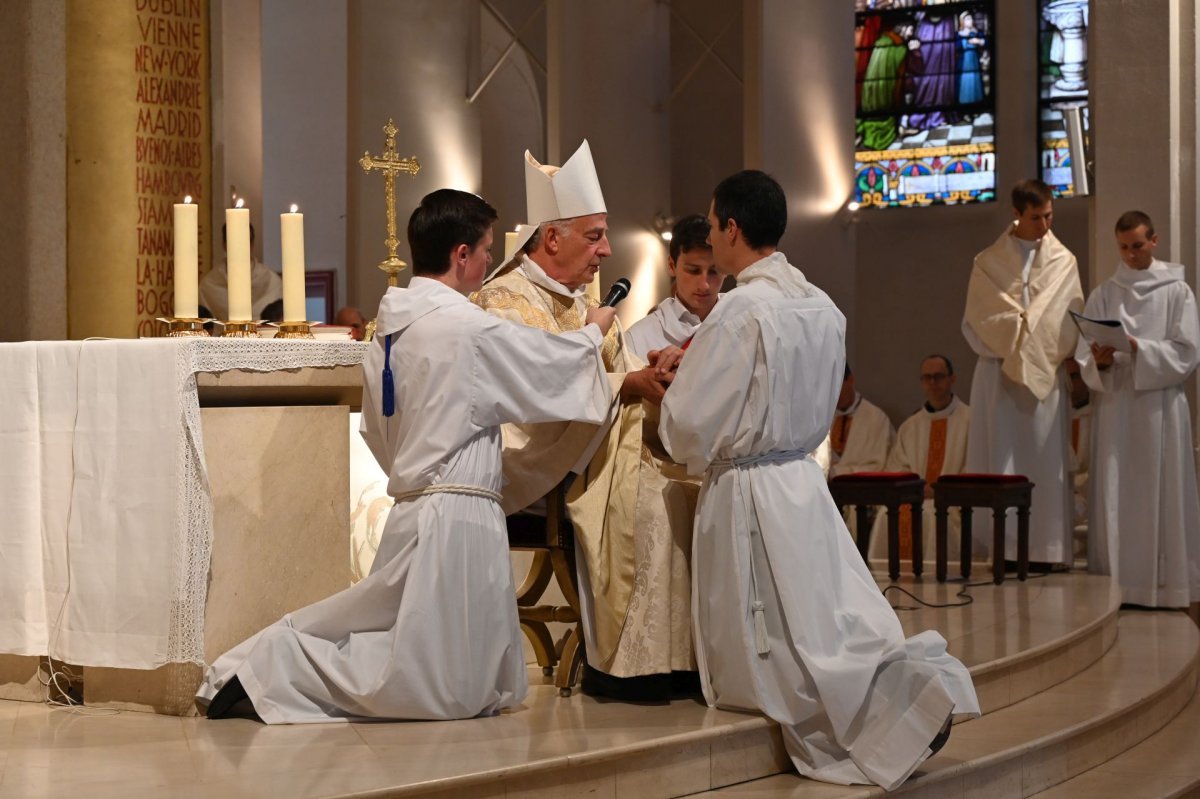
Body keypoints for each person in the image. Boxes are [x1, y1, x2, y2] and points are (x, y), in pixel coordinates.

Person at [195, 189, 616, 723]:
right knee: (433, 680)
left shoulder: (389, 331)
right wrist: (592, 333)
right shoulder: (465, 327)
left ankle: (263, 670)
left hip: (421, 503)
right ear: (461, 254)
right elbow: (550, 366)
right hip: (456, 514)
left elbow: (377, 430)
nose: (491, 262)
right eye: (486, 249)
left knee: (444, 664)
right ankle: (271, 672)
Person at [659, 169, 978, 790]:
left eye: (713, 222)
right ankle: (904, 698)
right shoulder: (822, 306)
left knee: (781, 639)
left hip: (749, 487)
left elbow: (692, 425)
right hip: (802, 484)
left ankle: (883, 720)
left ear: (731, 227)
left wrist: (673, 389)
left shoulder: (738, 311)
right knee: (824, 619)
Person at [472, 141, 695, 700]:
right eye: (594, 235)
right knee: (645, 494)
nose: (606, 249)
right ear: (552, 238)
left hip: (592, 444)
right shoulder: (505, 300)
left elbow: (612, 375)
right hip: (531, 458)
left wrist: (657, 376)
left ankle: (680, 660)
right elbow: (531, 401)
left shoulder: (582, 300)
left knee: (687, 482)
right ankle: (626, 664)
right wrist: (628, 385)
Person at [1076, 210, 1200, 608]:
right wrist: (1102, 360)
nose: (1130, 255)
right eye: (1124, 247)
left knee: (1159, 492)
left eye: (1138, 246)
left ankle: (1162, 586)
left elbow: (1187, 353)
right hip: (1117, 405)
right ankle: (1118, 584)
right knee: (1116, 487)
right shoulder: (1106, 292)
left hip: (1159, 407)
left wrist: (1136, 348)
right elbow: (1086, 355)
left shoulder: (1177, 291)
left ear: (1155, 241)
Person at [962, 178, 1083, 569]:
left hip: (1044, 377)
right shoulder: (987, 262)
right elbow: (979, 317)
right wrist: (1018, 330)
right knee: (1004, 460)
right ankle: (1007, 549)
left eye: (1049, 216)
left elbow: (1070, 316)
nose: (1045, 226)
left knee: (1044, 462)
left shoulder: (1064, 261)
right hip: (999, 377)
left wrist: (1034, 337)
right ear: (1016, 215)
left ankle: (1047, 551)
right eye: (1036, 218)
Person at [868, 354, 970, 562]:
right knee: (886, 516)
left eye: (939, 376)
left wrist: (940, 491)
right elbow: (897, 467)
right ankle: (888, 575)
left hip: (953, 503)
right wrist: (914, 490)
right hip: (915, 498)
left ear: (952, 379)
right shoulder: (910, 426)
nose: (933, 383)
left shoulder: (971, 421)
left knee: (934, 515)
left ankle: (939, 575)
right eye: (927, 377)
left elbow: (974, 468)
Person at [626, 214, 722, 360]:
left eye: (714, 271)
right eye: (693, 271)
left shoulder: (743, 318)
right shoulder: (638, 337)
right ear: (671, 266)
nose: (704, 285)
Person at [199, 223, 284, 321]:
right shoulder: (209, 285)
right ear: (224, 244)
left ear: (252, 244)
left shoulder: (272, 281)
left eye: (246, 241)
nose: (241, 247)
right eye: (235, 241)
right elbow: (207, 327)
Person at [828, 365, 895, 478]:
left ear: (850, 380)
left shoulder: (876, 419)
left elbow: (880, 467)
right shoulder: (821, 420)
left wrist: (838, 472)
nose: (833, 394)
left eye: (837, 386)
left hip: (864, 491)